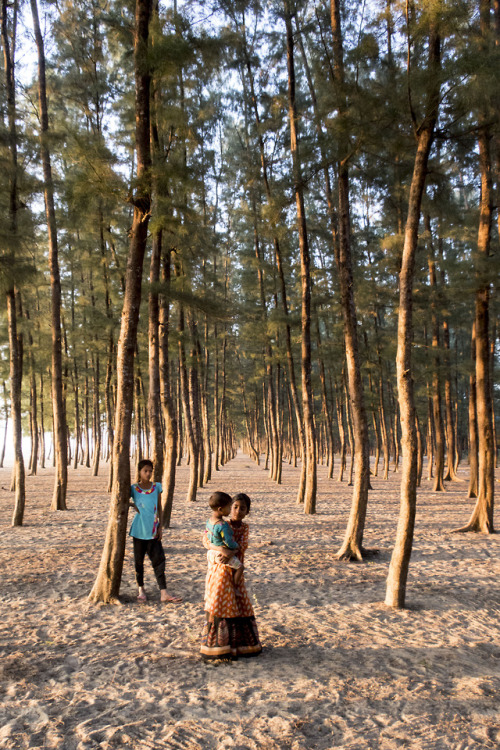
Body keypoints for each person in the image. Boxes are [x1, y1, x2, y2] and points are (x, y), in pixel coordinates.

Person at [201, 491, 262, 660]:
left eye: (242, 508)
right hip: (220, 568)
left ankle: (239, 646)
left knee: (239, 600)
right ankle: (218, 648)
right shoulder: (222, 524)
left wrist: (231, 552)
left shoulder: (245, 527)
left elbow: (242, 545)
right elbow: (205, 540)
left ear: (247, 512)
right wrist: (221, 550)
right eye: (235, 507)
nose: (237, 511)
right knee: (220, 601)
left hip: (235, 568)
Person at [129, 459, 182, 604]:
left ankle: (164, 592)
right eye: (145, 471)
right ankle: (141, 589)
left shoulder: (156, 487)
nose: (148, 473)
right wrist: (133, 505)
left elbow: (159, 506)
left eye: (150, 471)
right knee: (138, 562)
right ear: (139, 472)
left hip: (153, 530)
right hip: (138, 530)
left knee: (159, 561)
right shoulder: (133, 488)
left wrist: (160, 527)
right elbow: (121, 499)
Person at [205, 491, 244, 585]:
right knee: (240, 568)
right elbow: (228, 542)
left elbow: (206, 534)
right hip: (221, 554)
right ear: (220, 509)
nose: (230, 510)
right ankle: (235, 586)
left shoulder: (209, 521)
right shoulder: (223, 525)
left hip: (211, 553)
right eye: (229, 507)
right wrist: (236, 546)